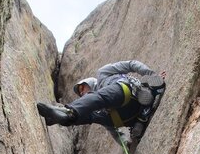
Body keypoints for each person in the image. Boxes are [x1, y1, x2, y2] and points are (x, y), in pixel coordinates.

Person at [37, 60, 166, 146]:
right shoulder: (95, 105)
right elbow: (112, 129)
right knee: (93, 116)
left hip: (126, 93)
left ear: (90, 82)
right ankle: (63, 118)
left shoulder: (102, 74)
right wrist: (124, 142)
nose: (82, 93)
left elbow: (131, 64)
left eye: (82, 88)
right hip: (125, 118)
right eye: (80, 93)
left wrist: (150, 74)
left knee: (99, 99)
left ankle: (69, 112)